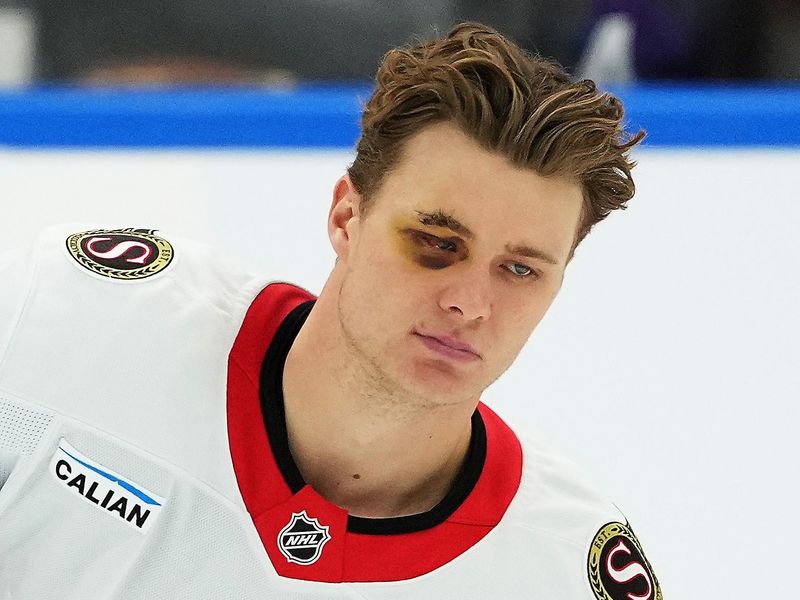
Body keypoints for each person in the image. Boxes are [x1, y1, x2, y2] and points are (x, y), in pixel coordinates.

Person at [0, 23, 660, 599]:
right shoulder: (71, 319)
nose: (469, 302)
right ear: (347, 214)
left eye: (519, 270)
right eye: (436, 244)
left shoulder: (567, 572)